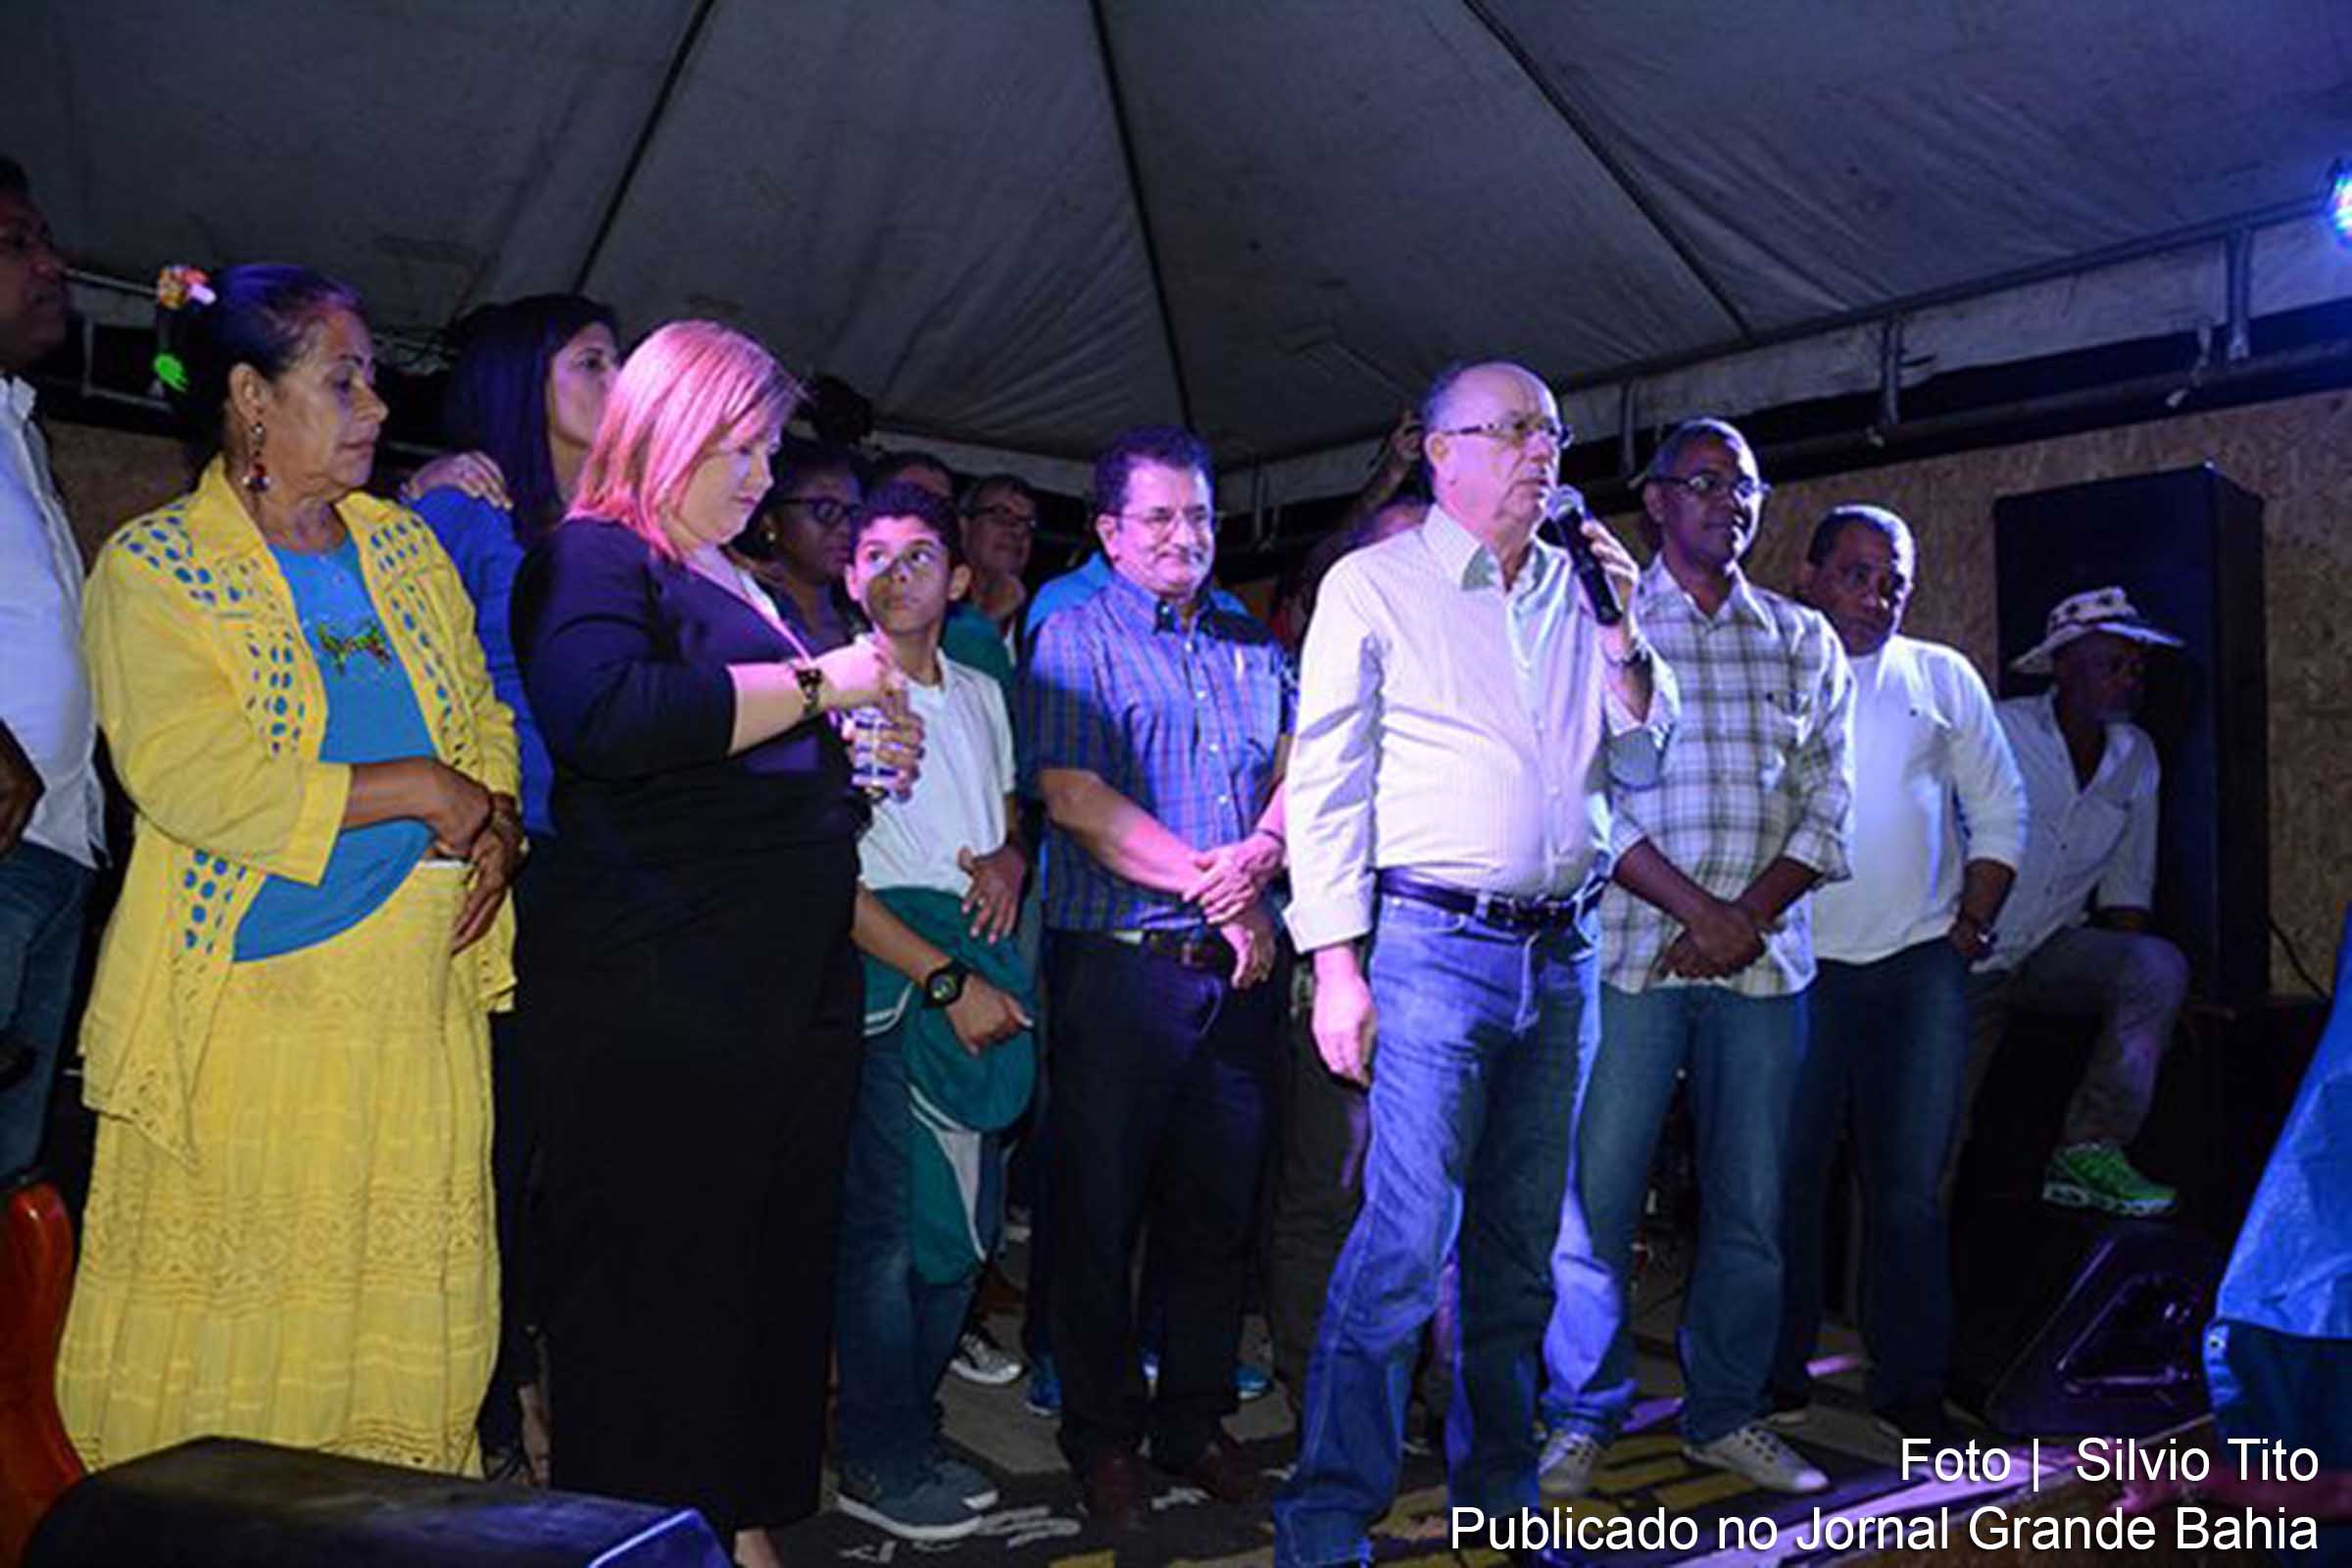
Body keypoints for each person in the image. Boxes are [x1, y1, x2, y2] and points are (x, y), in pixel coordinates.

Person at [54, 263, 522, 1471]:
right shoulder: (159, 568)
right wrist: (417, 788)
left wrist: (497, 818)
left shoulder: (405, 551)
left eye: (373, 380)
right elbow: (195, 778)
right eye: (343, 381)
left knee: (385, 1328)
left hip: (411, 1012)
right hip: (256, 1023)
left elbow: (481, 715)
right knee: (245, 1326)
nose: (377, 407)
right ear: (252, 399)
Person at [510, 320, 907, 1565]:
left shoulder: (744, 587)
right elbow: (606, 717)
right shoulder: (595, 552)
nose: (761, 475)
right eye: (739, 447)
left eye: (769, 449)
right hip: (666, 984)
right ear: (667, 429)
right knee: (658, 1291)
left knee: (762, 1281)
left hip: (779, 986)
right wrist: (826, 688)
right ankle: (652, 1536)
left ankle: (737, 1526)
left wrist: (855, 758)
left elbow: (748, 753)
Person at [1273, 362, 1672, 1568]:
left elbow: (1644, 764)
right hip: (1430, 947)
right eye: (1513, 429)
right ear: (1440, 452)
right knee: (1402, 1245)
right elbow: (1327, 780)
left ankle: (1500, 1496)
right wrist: (1336, 965)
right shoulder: (1375, 585)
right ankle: (1325, 1520)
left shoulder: (1581, 584)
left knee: (1515, 1251)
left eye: (1552, 432)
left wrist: (1621, 628)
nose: (1542, 450)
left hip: (1561, 952)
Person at [1543, 416, 1853, 1498]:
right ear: (1658, 500)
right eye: (1708, 483)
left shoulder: (1801, 638)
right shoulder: (1603, 626)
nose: (1732, 502)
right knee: (1596, 1200)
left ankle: (1724, 1414)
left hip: (1764, 966)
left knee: (1752, 1208)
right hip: (1635, 954)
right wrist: (1696, 911)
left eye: (1747, 487)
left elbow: (1829, 801)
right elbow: (1581, 795)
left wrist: (1741, 918)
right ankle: (1581, 1413)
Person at [1020, 423, 1292, 1529]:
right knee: (1098, 1214)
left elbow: (1298, 770)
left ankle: (1192, 1420)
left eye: (1201, 515)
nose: (1186, 535)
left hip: (1238, 974)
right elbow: (1075, 800)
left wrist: (1264, 852)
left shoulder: (1248, 637)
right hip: (1122, 969)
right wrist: (1221, 889)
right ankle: (1103, 1439)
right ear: (1110, 533)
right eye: (1160, 517)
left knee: (1217, 1214)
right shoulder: (1073, 636)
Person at [403, 291, 619, 1480]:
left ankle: (540, 1383)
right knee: (495, 1145)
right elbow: (395, 659)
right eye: (591, 361)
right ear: (520, 380)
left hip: (601, 866)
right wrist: (409, 494)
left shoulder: (612, 527)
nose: (618, 381)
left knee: (566, 1158)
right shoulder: (465, 510)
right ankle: (493, 1401)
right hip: (502, 856)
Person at [1771, 504, 2025, 1444]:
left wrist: (1971, 925)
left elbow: (2002, 808)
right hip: (1795, 969)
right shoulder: (1771, 672)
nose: (1877, 597)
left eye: (1894, 583)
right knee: (1785, 1181)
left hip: (1919, 968)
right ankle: (1773, 1374)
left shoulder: (1941, 675)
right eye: (1857, 574)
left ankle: (1909, 1386)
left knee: (1909, 1189)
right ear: (1808, 577)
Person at [833, 481, 1035, 1543]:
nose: (894, 569)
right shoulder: (829, 693)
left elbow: (1001, 821)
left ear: (958, 580)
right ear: (846, 574)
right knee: (890, 1236)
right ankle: (878, 1454)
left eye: (919, 553)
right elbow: (830, 879)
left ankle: (907, 1423)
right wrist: (942, 981)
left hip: (980, 961)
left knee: (961, 1225)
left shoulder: (981, 693)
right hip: (895, 981)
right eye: (873, 550)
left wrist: (1009, 858)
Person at [1966, 586, 2191, 1215]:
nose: (2130, 680)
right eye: (2113, 664)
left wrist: (2145, 998)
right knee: (1932, 1137)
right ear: (2064, 666)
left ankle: (2090, 1149)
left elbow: (2128, 884)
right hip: (1967, 957)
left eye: (2137, 667)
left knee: (2157, 966)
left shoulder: (2135, 754)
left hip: (2048, 950)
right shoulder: (2002, 729)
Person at [0, 155, 101, 1186]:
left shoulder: (19, 434)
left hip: (55, 846)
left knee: (13, 1173)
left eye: (45, 241)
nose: (49, 265)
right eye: (13, 244)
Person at [729, 437, 861, 654]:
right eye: (826, 510)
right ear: (771, 521)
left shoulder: (865, 621)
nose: (846, 528)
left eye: (854, 514)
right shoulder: (744, 614)